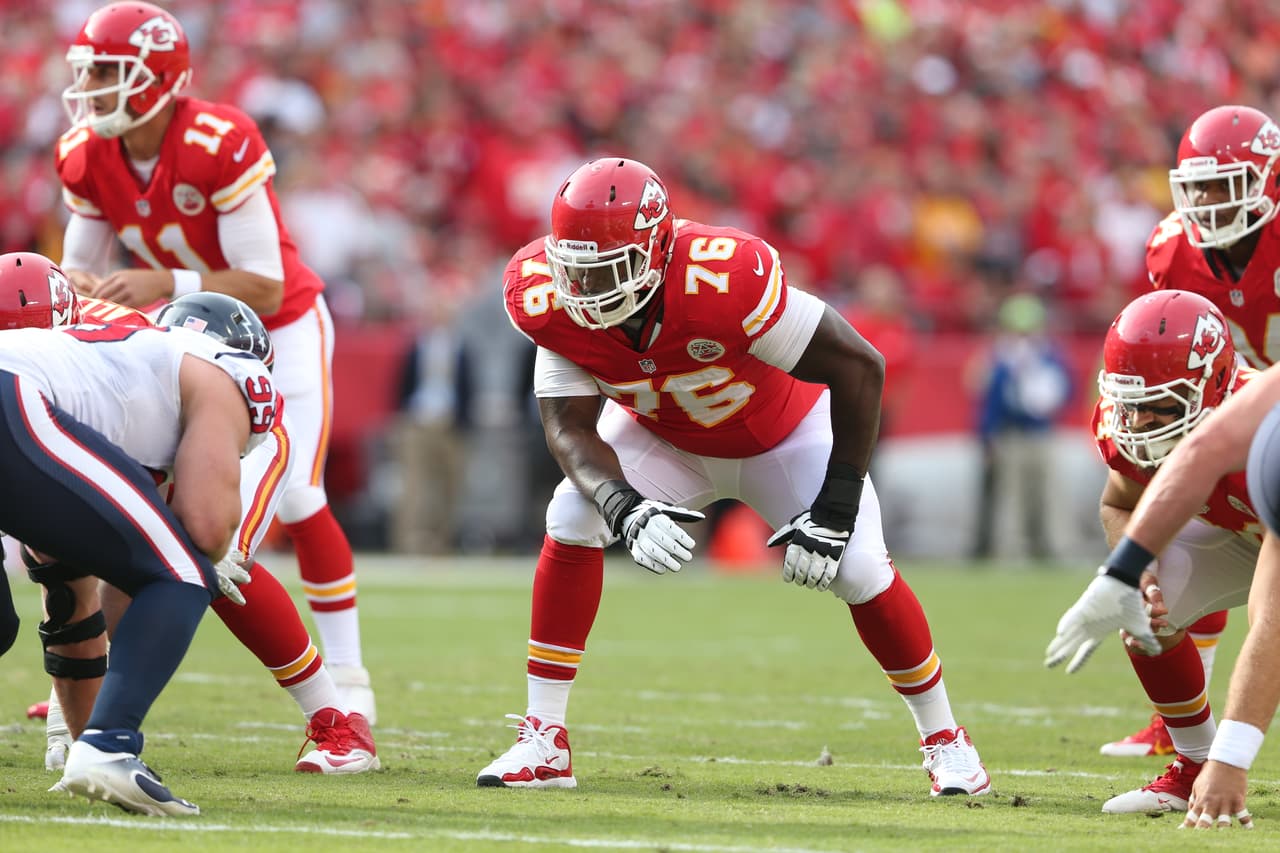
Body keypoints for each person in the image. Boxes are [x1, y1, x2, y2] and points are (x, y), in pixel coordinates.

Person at [478, 156, 990, 797]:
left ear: (658, 250)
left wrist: (835, 506)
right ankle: (544, 740)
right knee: (572, 517)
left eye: (606, 270)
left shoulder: (726, 277)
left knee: (859, 570)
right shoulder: (547, 297)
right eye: (575, 269)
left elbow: (861, 368)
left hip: (783, 435)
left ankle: (946, 740)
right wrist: (622, 506)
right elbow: (568, 427)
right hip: (665, 439)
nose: (587, 290)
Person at [53, 1, 374, 720]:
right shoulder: (87, 150)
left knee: (298, 494)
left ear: (160, 79)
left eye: (111, 71)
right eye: (91, 71)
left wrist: (164, 282)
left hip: (280, 328)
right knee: (143, 493)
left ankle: (348, 675)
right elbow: (78, 268)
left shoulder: (217, 138)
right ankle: (86, 672)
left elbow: (267, 281)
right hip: (189, 336)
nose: (95, 87)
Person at [0, 272, 377, 776]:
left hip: (216, 429)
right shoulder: (80, 338)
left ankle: (337, 721)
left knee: (215, 564)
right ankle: (99, 725)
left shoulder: (219, 379)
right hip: (130, 418)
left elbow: (186, 543)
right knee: (136, 556)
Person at [0, 258, 284, 815]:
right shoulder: (226, 374)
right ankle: (110, 747)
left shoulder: (110, 376)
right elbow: (205, 527)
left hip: (20, 403)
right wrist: (204, 545)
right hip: (12, 397)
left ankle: (95, 746)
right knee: (183, 572)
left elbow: (71, 605)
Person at [1098, 102, 1280, 760]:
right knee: (1173, 551)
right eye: (1196, 183)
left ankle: (1225, 749)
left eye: (1222, 182)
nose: (1205, 199)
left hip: (1272, 419)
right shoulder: (1172, 247)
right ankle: (1184, 736)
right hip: (1221, 410)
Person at [1065, 289, 1263, 815]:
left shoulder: (1264, 435)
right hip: (1241, 530)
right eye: (1133, 404)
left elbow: (1271, 633)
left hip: (1272, 529)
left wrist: (1235, 762)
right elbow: (1118, 504)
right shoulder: (1125, 424)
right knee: (1145, 612)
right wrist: (1142, 572)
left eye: (1162, 405)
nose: (1142, 423)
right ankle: (1192, 767)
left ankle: (1220, 769)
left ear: (1214, 385)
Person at [968, 293, 1073, 561]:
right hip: (1011, 435)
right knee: (1010, 497)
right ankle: (1011, 550)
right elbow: (990, 401)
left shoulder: (1049, 356)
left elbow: (1064, 390)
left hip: (1041, 434)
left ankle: (1057, 547)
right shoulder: (1000, 360)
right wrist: (987, 435)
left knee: (1050, 495)